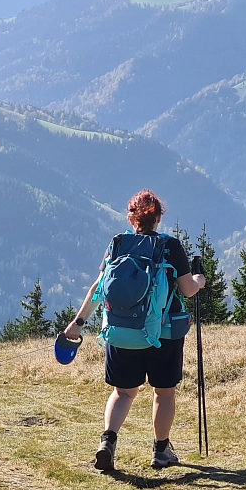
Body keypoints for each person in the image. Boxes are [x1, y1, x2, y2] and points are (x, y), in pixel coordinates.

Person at [63, 189, 205, 471]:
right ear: (158, 218)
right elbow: (188, 291)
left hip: (121, 331)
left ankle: (108, 442)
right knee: (163, 392)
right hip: (162, 334)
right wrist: (200, 279)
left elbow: (98, 288)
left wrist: (77, 323)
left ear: (131, 218)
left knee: (123, 392)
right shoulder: (170, 246)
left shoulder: (117, 244)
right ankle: (161, 451)